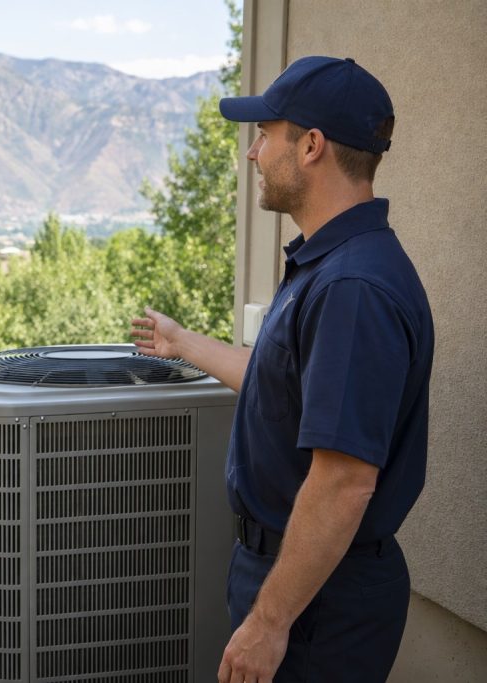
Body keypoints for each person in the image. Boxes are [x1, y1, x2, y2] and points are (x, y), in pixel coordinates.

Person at [131, 56, 433, 683]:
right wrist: (183, 342)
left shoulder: (352, 287)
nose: (254, 154)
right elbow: (285, 392)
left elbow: (344, 481)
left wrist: (269, 622)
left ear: (313, 146)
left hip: (317, 597)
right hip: (295, 577)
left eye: (267, 135)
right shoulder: (330, 265)